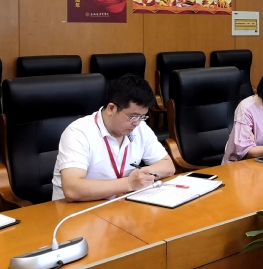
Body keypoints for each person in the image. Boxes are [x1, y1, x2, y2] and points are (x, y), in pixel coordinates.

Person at [52, 74, 175, 202]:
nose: (137, 123)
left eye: (142, 117)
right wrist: (129, 183)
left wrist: (144, 174)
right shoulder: (78, 132)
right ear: (111, 108)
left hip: (118, 204)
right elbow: (72, 190)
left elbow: (168, 166)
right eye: (133, 116)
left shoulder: (140, 128)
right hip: (77, 209)